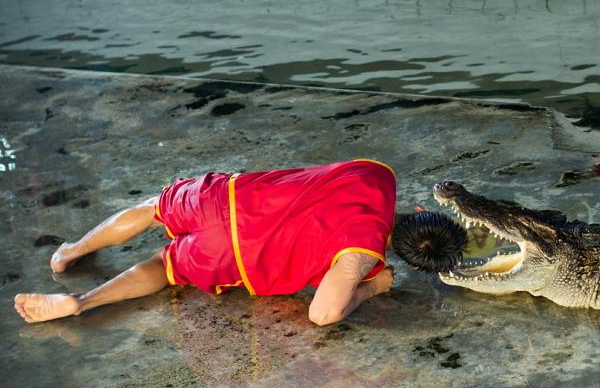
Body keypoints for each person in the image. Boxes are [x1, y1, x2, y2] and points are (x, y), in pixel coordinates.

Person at [14, 159, 466, 326]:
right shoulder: (359, 261)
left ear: (424, 214)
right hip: (232, 258)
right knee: (164, 265)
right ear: (407, 260)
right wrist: (374, 286)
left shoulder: (377, 174)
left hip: (223, 203)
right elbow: (323, 314)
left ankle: (72, 251)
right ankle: (81, 302)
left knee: (153, 208)